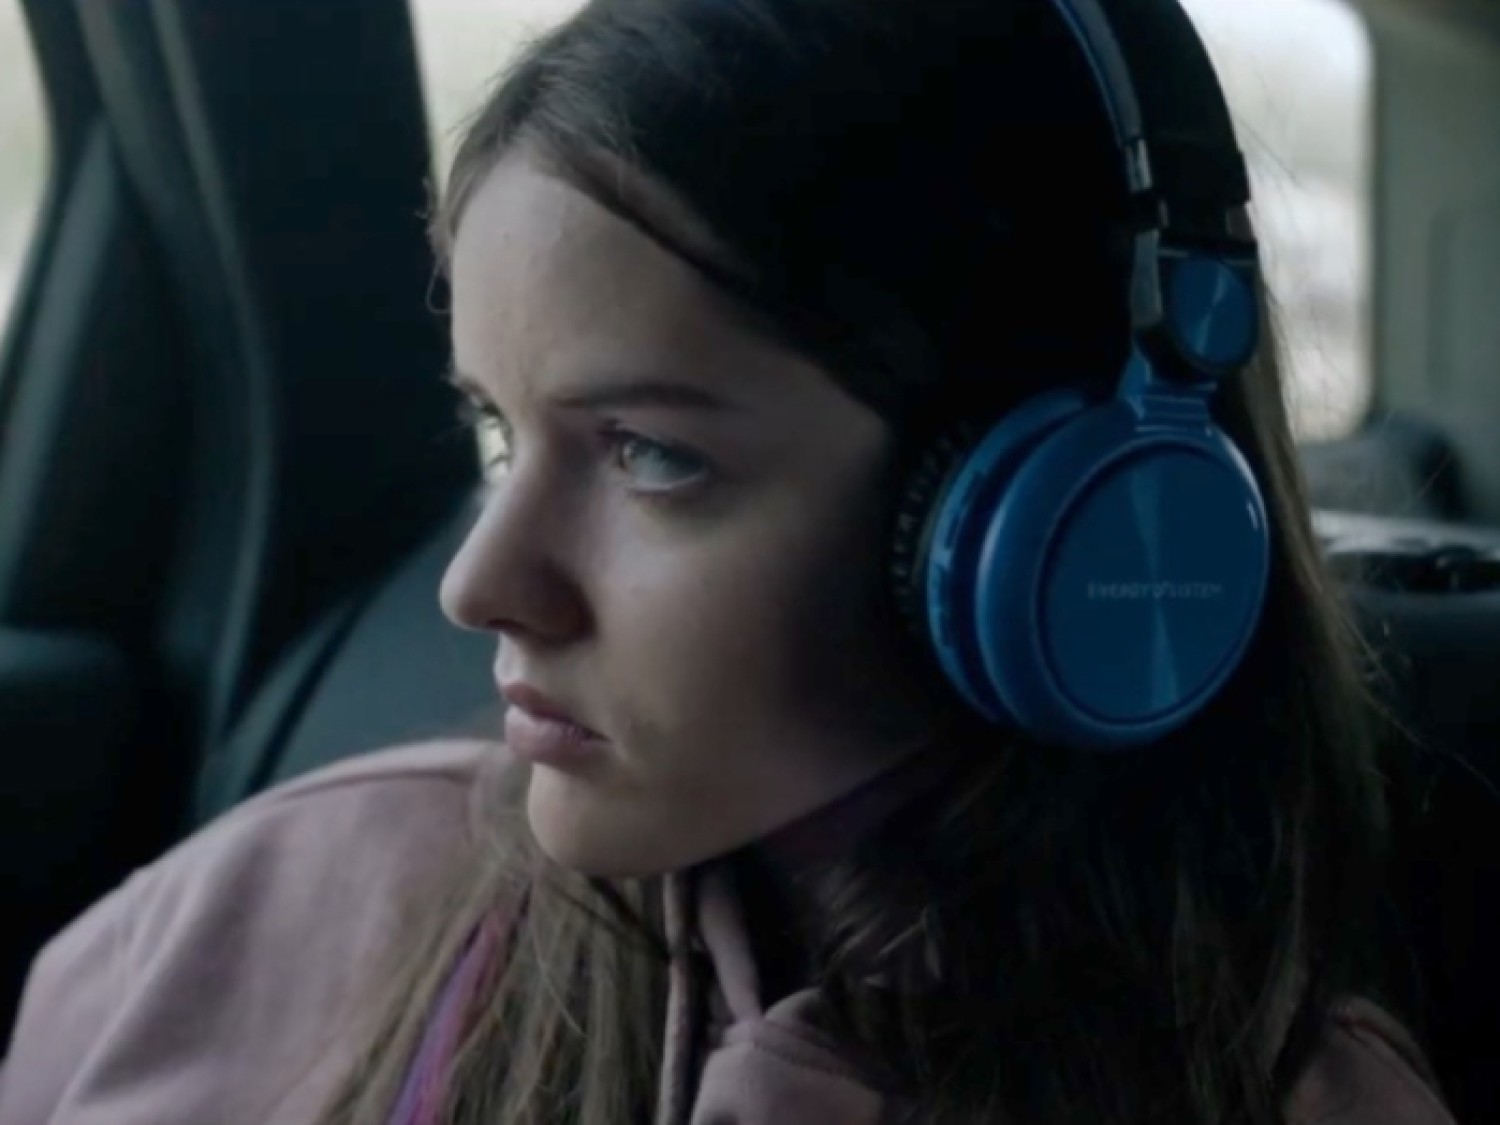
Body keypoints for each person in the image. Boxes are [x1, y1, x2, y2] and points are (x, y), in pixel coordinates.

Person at [0, 0, 1463, 1121]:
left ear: (1055, 528)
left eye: (651, 455)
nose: (478, 587)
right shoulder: (246, 924)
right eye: (499, 430)